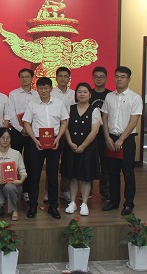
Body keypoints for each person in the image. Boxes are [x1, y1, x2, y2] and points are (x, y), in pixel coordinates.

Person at [23, 76, 69, 220]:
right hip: (37, 142)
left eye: (46, 88)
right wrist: (34, 140)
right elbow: (27, 123)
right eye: (40, 88)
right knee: (34, 174)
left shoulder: (59, 103)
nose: (43, 91)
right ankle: (32, 205)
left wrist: (58, 138)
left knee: (53, 175)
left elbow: (64, 122)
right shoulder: (32, 104)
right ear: (37, 89)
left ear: (51, 88)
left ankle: (53, 206)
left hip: (54, 141)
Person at [101, 66, 142, 216]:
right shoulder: (109, 96)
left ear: (129, 79)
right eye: (117, 76)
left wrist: (121, 139)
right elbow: (104, 117)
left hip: (127, 139)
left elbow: (134, 121)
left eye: (123, 77)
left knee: (128, 172)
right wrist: (107, 137)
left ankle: (128, 203)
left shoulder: (135, 98)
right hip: (111, 138)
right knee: (112, 172)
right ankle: (114, 201)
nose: (119, 79)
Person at [61, 83, 101, 216]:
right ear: (76, 94)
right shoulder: (69, 108)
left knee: (86, 177)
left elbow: (95, 131)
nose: (82, 94)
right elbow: (65, 127)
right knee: (73, 176)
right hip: (71, 147)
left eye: (85, 92)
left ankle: (84, 203)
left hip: (88, 148)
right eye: (79, 92)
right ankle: (72, 202)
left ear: (90, 95)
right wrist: (70, 142)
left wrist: (83, 146)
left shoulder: (94, 110)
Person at [7, 68, 38, 203]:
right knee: (14, 161)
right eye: (22, 77)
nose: (25, 79)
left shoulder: (37, 95)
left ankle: (26, 191)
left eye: (27, 77)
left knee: (31, 162)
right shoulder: (13, 94)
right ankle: (13, 189)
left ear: (32, 78)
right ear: (19, 78)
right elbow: (11, 114)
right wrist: (21, 129)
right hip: (17, 132)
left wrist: (30, 130)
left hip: (33, 133)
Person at [0, 128, 27, 221]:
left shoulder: (16, 154)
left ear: (11, 139)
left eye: (8, 138)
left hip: (14, 185)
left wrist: (20, 181)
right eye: (3, 137)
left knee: (9, 187)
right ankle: (2, 205)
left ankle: (14, 210)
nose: (5, 140)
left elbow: (23, 171)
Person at [51, 66, 76, 202]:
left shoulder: (74, 94)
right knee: (52, 163)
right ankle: (50, 191)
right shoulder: (51, 93)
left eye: (66, 76)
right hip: (54, 131)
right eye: (60, 76)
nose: (63, 78)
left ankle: (64, 190)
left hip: (71, 131)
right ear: (56, 78)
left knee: (68, 162)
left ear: (69, 78)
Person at [91, 66, 112, 202]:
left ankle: (105, 191)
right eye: (96, 77)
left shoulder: (111, 95)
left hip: (106, 135)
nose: (99, 79)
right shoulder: (88, 93)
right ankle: (88, 191)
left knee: (106, 165)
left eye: (102, 77)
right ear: (93, 78)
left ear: (106, 78)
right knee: (89, 164)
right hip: (90, 135)